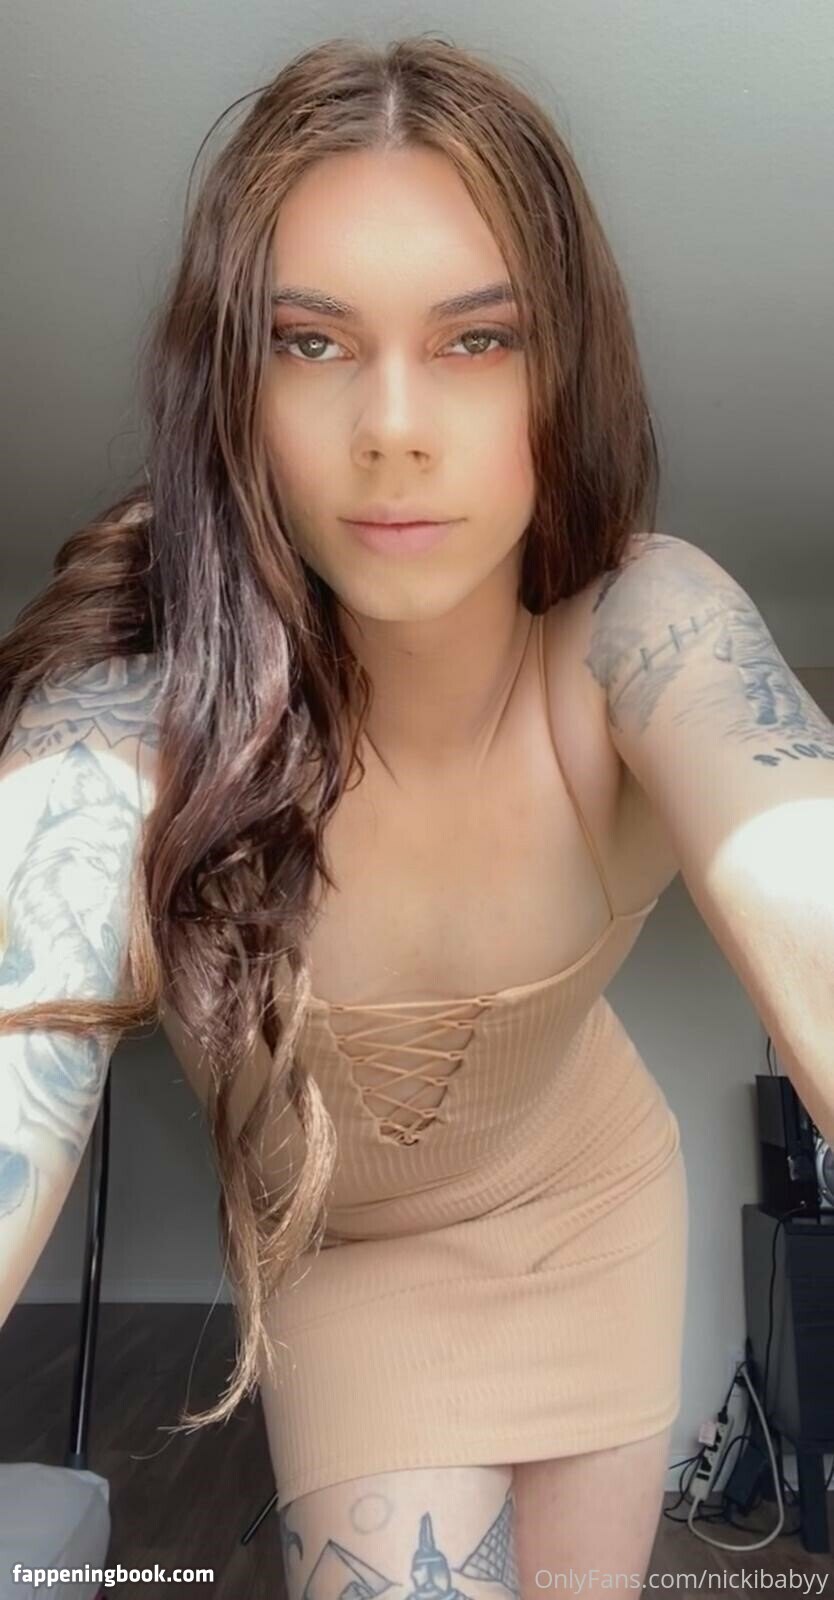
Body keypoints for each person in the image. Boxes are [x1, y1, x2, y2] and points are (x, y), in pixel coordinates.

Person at [0, 36, 689, 1596]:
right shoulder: (125, 718)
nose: (392, 425)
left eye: (478, 338)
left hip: (593, 1206)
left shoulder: (646, 636)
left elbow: (798, 863)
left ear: (564, 371)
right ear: (229, 385)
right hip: (346, 1266)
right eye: (309, 342)